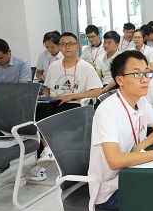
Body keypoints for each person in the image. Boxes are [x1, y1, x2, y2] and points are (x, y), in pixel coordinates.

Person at [88, 51, 153, 211]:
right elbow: (115, 161)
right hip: (111, 190)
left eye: (147, 73)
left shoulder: (140, 100)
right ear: (119, 80)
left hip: (134, 174)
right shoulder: (107, 111)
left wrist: (139, 147)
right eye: (137, 74)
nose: (145, 79)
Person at [33, 32, 102, 180]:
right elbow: (47, 88)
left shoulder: (86, 67)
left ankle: (47, 151)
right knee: (38, 110)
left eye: (70, 44)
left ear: (77, 46)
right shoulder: (54, 66)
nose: (67, 47)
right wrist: (44, 97)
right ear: (59, 47)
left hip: (76, 105)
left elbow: (97, 91)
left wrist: (71, 96)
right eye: (63, 44)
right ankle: (46, 151)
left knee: (46, 118)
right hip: (55, 103)